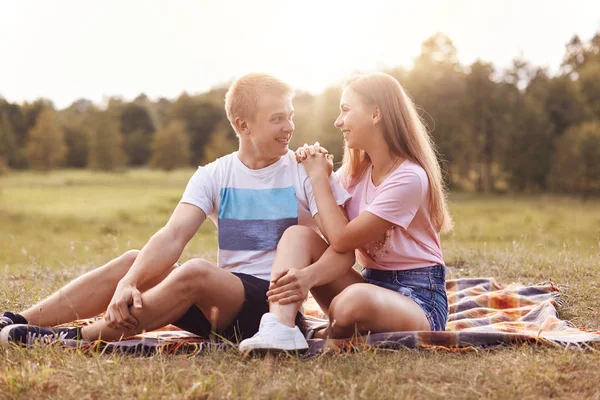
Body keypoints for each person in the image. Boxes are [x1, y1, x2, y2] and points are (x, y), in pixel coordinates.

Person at [0, 73, 353, 351]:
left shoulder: (303, 170)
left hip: (273, 309)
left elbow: (340, 249)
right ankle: (17, 318)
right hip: (224, 305)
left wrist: (306, 280)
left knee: (197, 271)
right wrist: (128, 282)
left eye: (290, 116)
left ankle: (77, 337)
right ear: (243, 124)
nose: (289, 127)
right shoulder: (214, 175)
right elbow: (173, 235)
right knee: (133, 261)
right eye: (278, 118)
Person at [240, 72, 452, 349]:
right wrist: (312, 171)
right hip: (369, 284)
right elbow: (324, 226)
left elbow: (341, 239)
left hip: (419, 297)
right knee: (297, 235)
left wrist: (319, 179)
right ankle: (280, 327)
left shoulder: (409, 177)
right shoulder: (354, 174)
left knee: (350, 304)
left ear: (376, 114)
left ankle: (342, 326)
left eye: (345, 110)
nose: (338, 122)